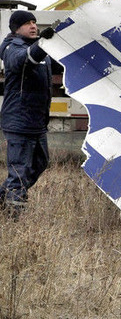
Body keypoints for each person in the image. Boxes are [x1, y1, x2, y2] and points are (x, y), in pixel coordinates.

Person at [0, 11, 53, 218]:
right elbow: (23, 61)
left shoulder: (37, 49)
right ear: (16, 28)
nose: (33, 26)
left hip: (36, 122)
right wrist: (42, 44)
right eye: (27, 23)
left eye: (34, 22)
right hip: (19, 122)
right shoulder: (12, 48)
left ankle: (4, 197)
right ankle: (14, 217)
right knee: (20, 172)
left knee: (40, 163)